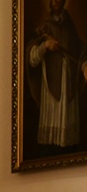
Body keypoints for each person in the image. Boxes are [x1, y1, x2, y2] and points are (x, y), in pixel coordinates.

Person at [26, 0, 87, 155]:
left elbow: (80, 50)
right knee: (50, 147)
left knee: (69, 145)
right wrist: (46, 46)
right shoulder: (45, 27)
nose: (56, 1)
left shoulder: (70, 26)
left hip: (69, 88)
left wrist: (84, 65)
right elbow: (32, 58)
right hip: (52, 90)